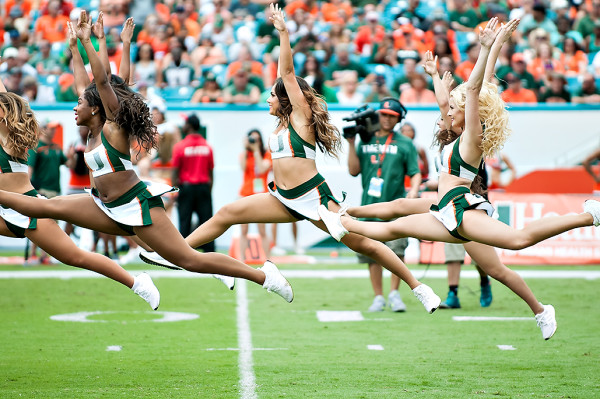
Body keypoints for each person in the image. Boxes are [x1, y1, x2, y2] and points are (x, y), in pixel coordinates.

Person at [140, 4, 442, 314]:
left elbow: (286, 73)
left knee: (364, 243)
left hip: (315, 200)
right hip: (283, 197)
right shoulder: (280, 124)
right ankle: (176, 252)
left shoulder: (301, 119)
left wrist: (283, 33)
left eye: (272, 95)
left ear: (286, 98)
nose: (268, 99)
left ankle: (419, 288)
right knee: (228, 212)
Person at [318, 18, 600, 340]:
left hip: (464, 210)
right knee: (393, 220)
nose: (445, 112)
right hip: (444, 208)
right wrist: (436, 77)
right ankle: (341, 215)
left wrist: (487, 48)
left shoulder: (470, 139)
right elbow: (453, 98)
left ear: (465, 113)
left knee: (516, 243)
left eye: (451, 109)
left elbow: (479, 88)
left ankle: (586, 217)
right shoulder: (453, 136)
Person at [0, 11, 294, 303]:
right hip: (105, 205)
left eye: (80, 103)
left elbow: (102, 83)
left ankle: (264, 276)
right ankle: (150, 280)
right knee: (45, 209)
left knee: (189, 260)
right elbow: (85, 86)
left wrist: (90, 42)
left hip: (135, 205)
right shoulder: (92, 125)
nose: (75, 107)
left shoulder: (112, 127)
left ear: (96, 108)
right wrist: (75, 48)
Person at [0, 69, 160, 310]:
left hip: (29, 210)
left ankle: (136, 282)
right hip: (5, 210)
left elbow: (4, 98)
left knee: (74, 256)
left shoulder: (9, 137)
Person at [346, 97, 422, 312]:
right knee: (371, 253)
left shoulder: (405, 143)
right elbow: (353, 171)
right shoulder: (365, 140)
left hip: (395, 207)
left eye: (392, 116)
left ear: (398, 120)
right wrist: (351, 144)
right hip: (369, 205)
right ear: (377, 115)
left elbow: (415, 173)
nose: (387, 119)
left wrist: (414, 192)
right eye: (384, 114)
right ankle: (378, 296)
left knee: (397, 251)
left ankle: (395, 293)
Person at [171, 113, 216, 253]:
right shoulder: (207, 146)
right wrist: (208, 189)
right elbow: (211, 172)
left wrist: (175, 191)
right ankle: (209, 253)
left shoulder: (180, 146)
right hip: (203, 188)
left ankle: (183, 252)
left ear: (189, 126)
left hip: (186, 188)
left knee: (184, 222)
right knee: (208, 222)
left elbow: (175, 172)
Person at [238, 129, 272, 262]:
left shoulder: (266, 154)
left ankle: (268, 260)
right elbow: (242, 167)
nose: (254, 142)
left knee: (262, 230)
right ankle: (241, 259)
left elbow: (263, 168)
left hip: (261, 196)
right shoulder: (245, 154)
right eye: (252, 139)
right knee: (243, 229)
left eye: (256, 139)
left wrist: (256, 150)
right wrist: (247, 149)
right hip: (245, 193)